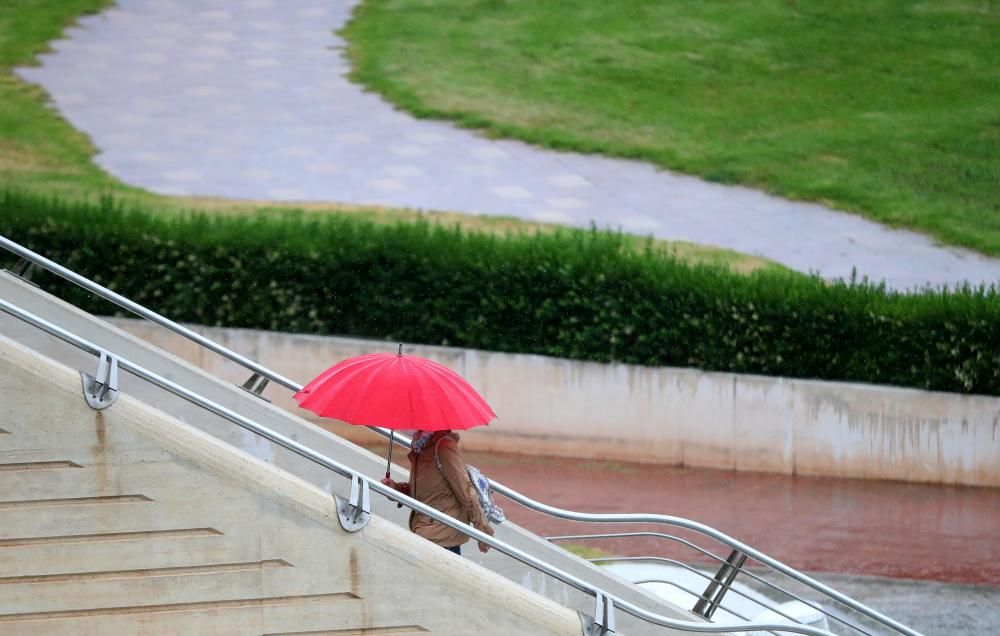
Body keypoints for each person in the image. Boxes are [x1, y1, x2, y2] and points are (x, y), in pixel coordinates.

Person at [381, 429, 493, 555]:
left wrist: (483, 532)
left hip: (442, 537)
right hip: (425, 532)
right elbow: (426, 493)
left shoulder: (444, 447)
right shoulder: (422, 448)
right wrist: (396, 488)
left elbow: (466, 491)